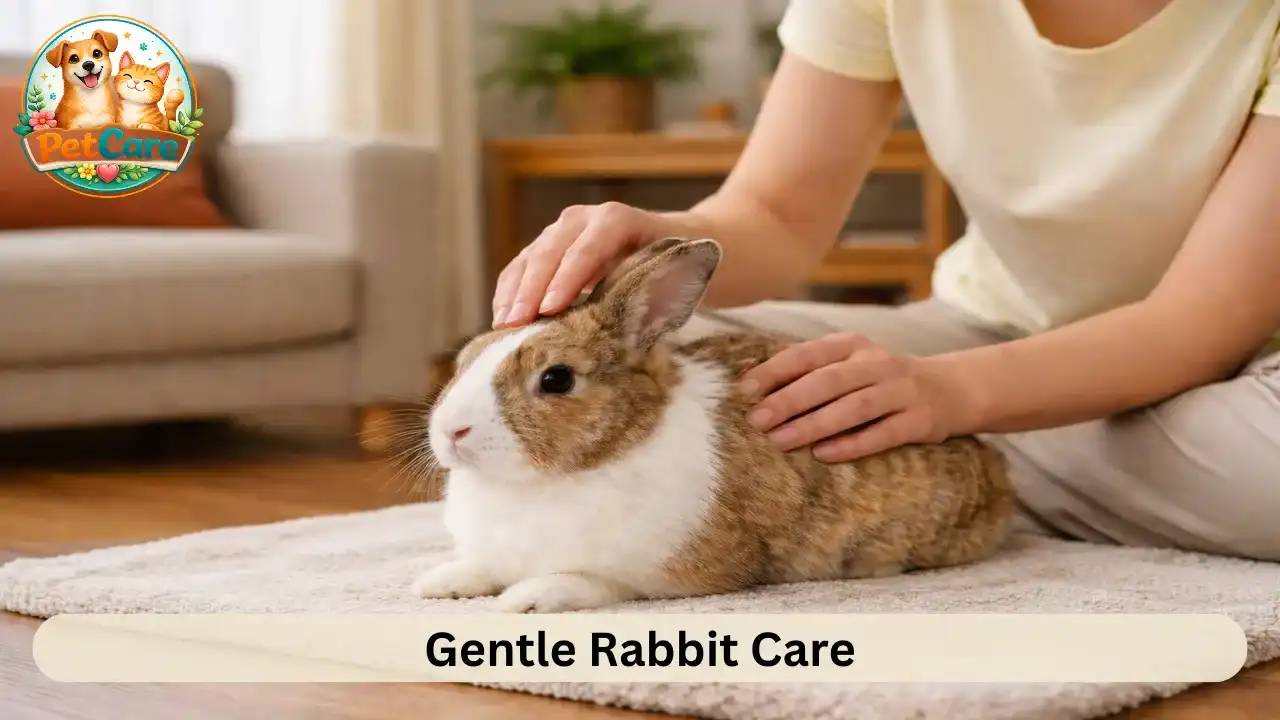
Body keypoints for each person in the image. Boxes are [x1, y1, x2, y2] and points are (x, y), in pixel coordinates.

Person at [490, 0, 1280, 562]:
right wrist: (661, 239)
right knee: (666, 360)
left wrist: (951, 399)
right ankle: (957, 466)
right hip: (992, 329)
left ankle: (955, 462)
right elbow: (777, 214)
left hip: (1246, 371)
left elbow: (1203, 318)